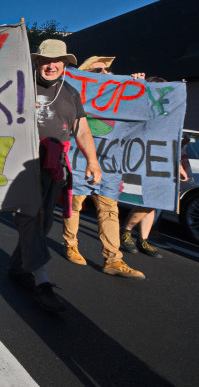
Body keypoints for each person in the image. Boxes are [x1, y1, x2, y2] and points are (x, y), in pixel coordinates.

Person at [9, 39, 102, 313]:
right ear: (37, 62)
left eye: (57, 60)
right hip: (23, 165)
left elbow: (81, 130)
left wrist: (92, 161)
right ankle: (43, 282)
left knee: (44, 221)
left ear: (65, 63)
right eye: (45, 61)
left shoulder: (72, 93)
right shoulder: (20, 86)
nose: (51, 65)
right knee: (30, 218)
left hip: (54, 166)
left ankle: (18, 267)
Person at [61, 56, 145, 279]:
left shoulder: (119, 97)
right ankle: (71, 244)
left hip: (109, 163)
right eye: (98, 72)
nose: (106, 74)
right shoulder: (73, 95)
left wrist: (138, 85)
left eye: (107, 70)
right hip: (79, 159)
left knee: (110, 210)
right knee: (75, 205)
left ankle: (113, 259)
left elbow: (142, 111)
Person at [120, 76, 190, 258]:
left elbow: (170, 143)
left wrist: (180, 168)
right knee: (148, 201)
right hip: (143, 161)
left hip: (161, 162)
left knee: (154, 203)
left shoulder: (167, 116)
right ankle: (126, 232)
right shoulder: (142, 112)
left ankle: (143, 239)